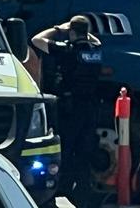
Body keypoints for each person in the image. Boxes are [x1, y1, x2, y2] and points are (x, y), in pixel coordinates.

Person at [31, 15, 102, 208]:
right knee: (83, 152)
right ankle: (84, 197)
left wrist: (57, 28)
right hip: (89, 108)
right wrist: (81, 32)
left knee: (65, 149)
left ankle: (61, 191)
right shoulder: (96, 51)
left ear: (72, 32)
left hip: (70, 108)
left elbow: (36, 40)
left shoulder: (67, 50)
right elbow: (96, 40)